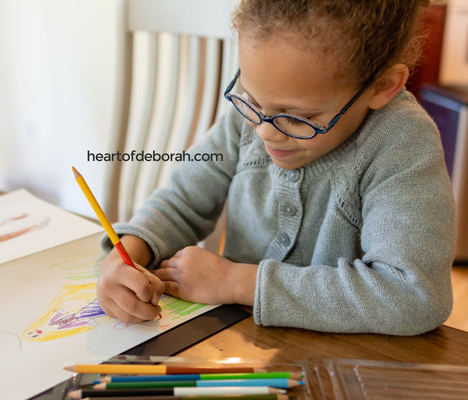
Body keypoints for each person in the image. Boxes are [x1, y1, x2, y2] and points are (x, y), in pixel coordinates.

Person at [96, 0, 455, 335]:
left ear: (382, 86)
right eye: (251, 100)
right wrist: (125, 256)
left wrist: (235, 282)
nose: (265, 132)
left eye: (299, 118)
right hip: (236, 342)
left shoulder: (402, 143)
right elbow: (182, 200)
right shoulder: (252, 119)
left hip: (344, 368)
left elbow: (413, 294)